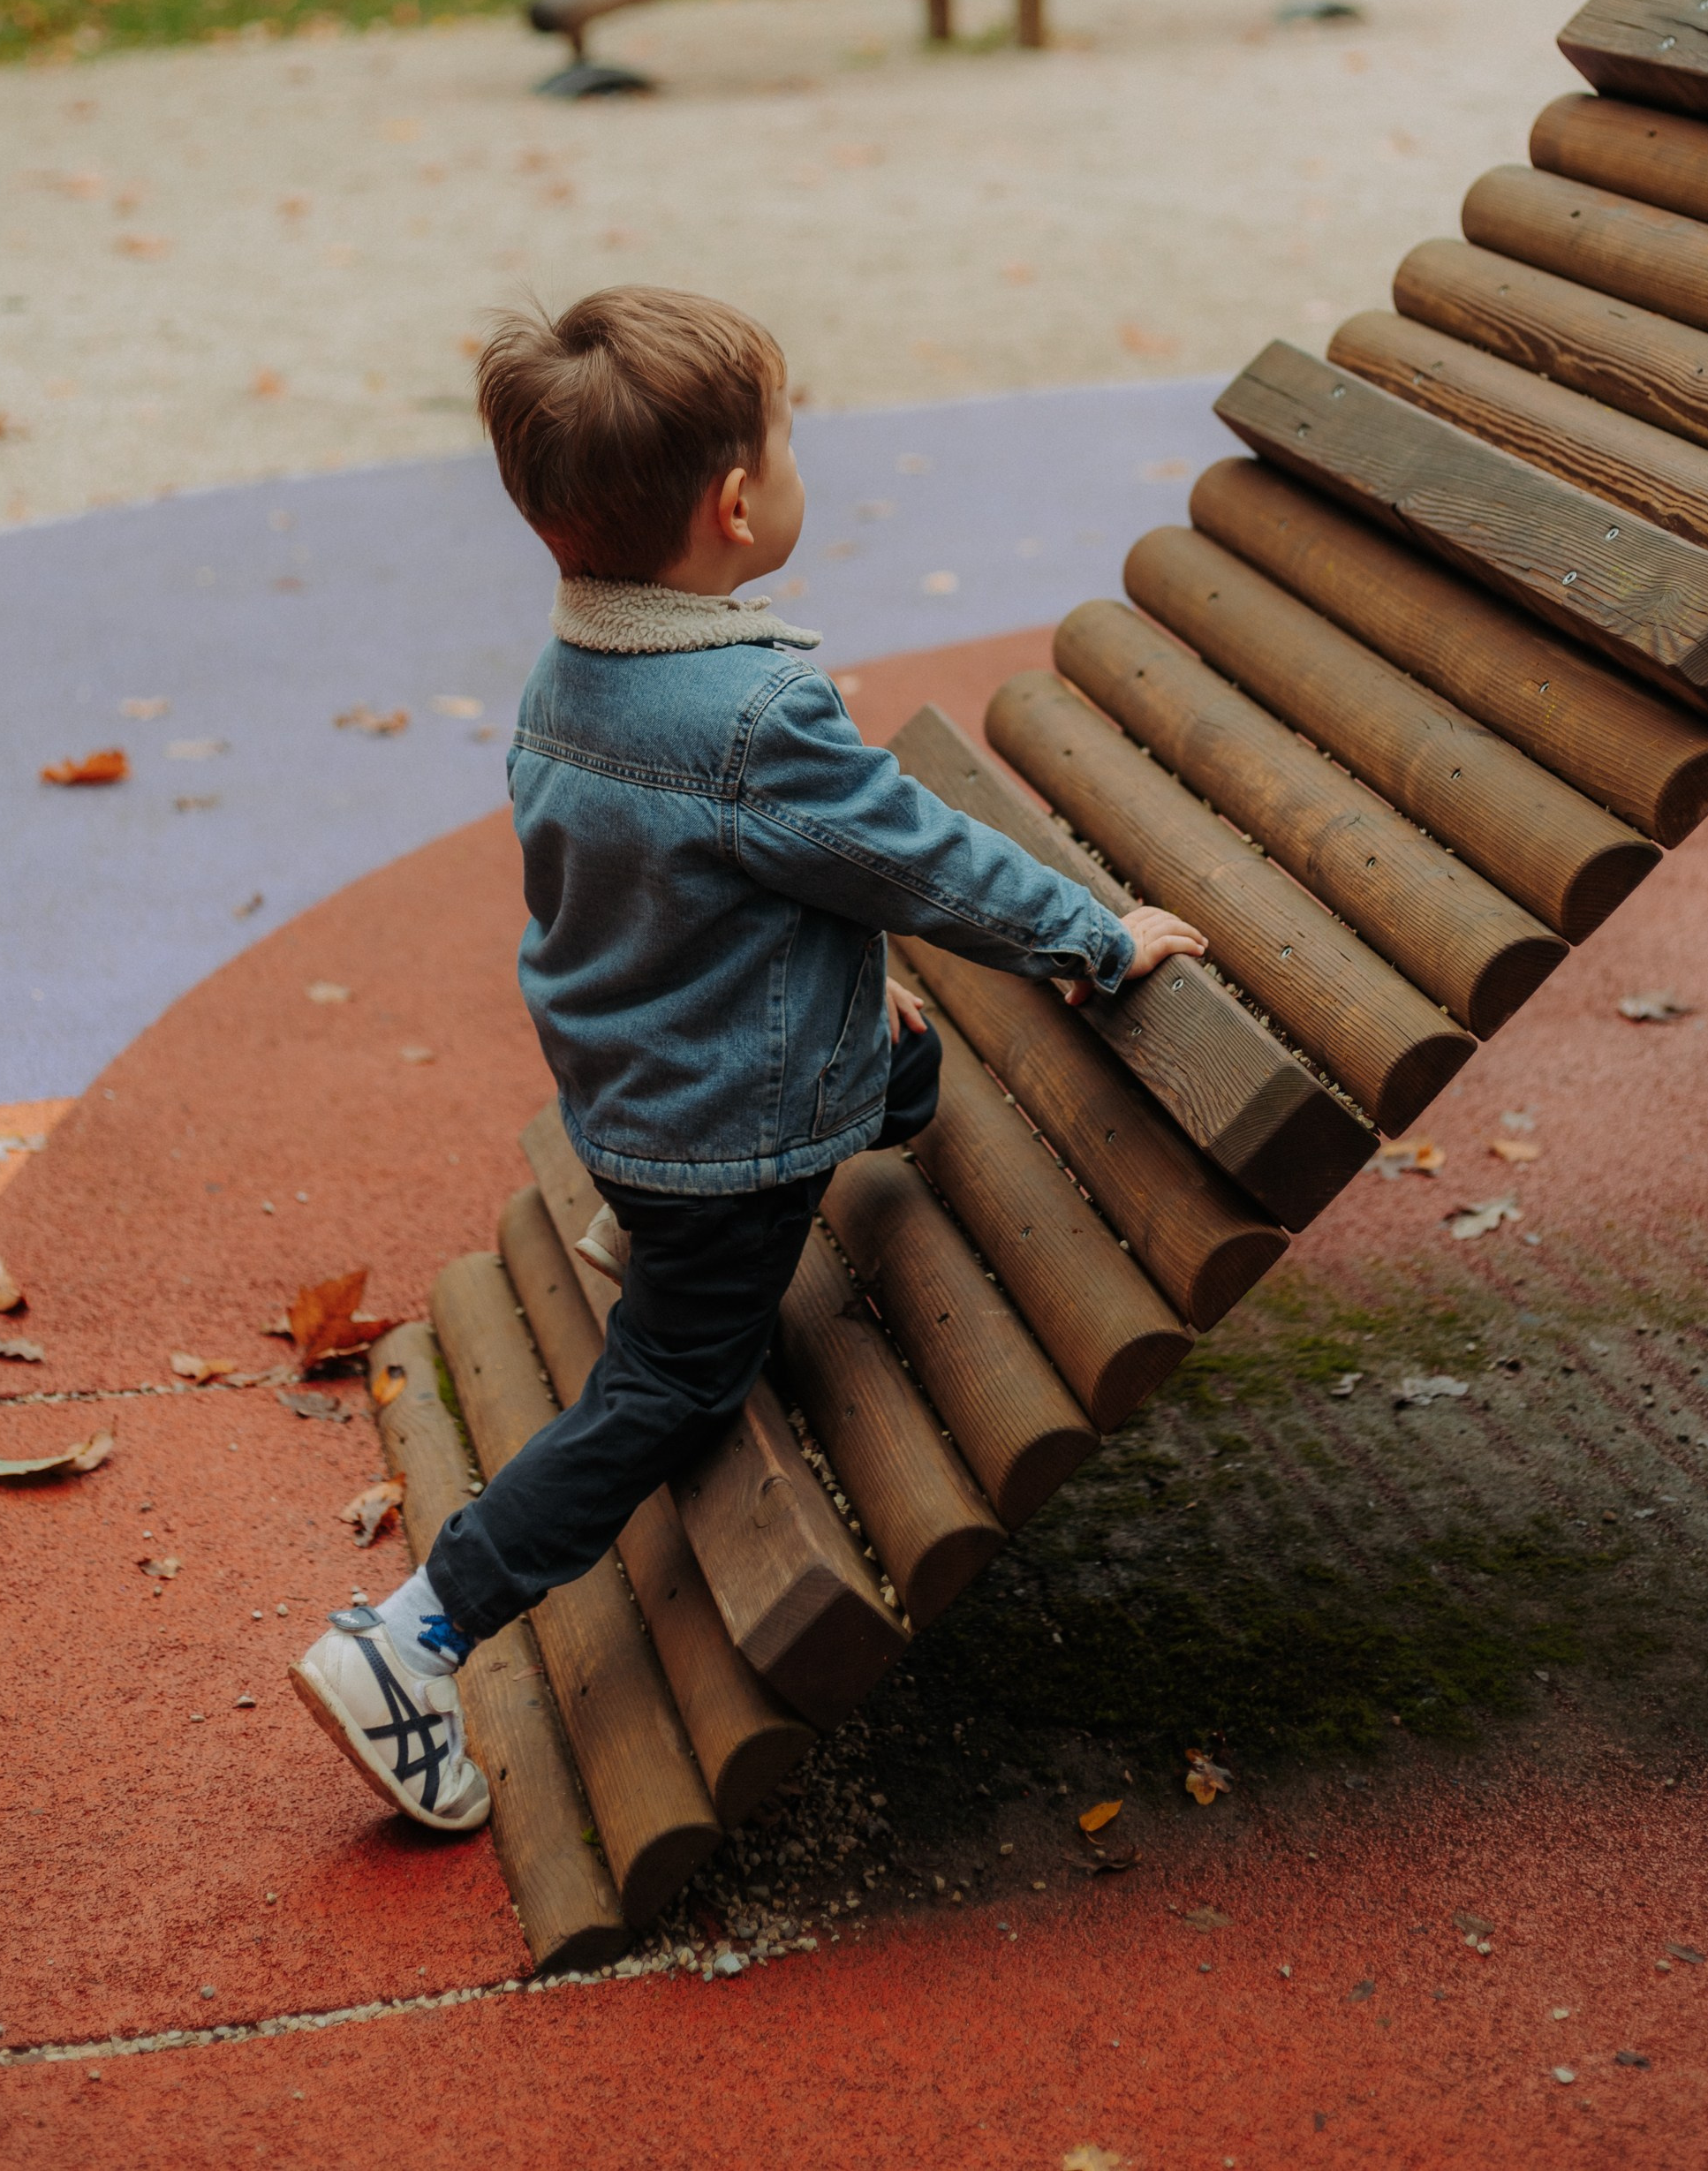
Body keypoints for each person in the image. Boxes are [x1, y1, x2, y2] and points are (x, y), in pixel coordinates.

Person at [289, 284, 1206, 1831]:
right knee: (674, 1388)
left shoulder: (570, 669)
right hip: (719, 1135)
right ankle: (414, 1637)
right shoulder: (749, 712)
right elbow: (923, 865)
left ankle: (685, 1178)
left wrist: (837, 988)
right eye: (787, 444)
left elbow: (687, 894)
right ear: (734, 503)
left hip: (639, 1082)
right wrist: (1094, 939)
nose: (792, 466)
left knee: (901, 1070)